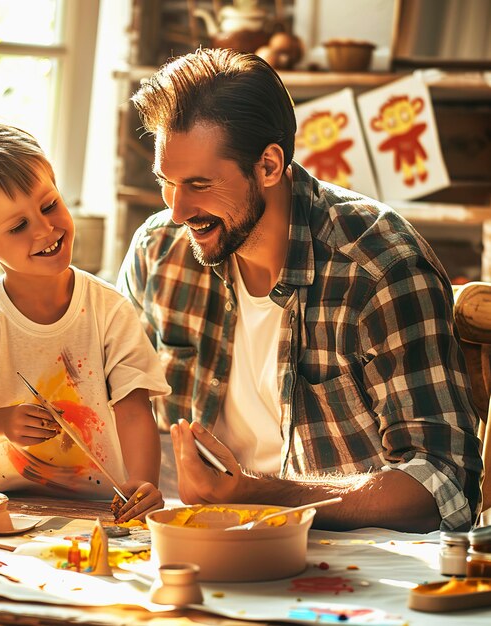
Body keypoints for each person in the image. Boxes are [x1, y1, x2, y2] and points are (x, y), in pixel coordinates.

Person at [117, 47, 482, 532]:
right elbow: (107, 405)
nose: (178, 211)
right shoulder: (157, 251)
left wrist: (258, 495)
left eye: (199, 185)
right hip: (174, 542)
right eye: (168, 182)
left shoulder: (378, 269)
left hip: (344, 565)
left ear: (269, 166)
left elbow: (445, 484)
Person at [0, 121, 171, 522]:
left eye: (49, 204)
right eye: (18, 226)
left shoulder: (110, 310)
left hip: (99, 505)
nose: (46, 228)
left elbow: (135, 409)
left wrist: (140, 487)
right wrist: (3, 423)